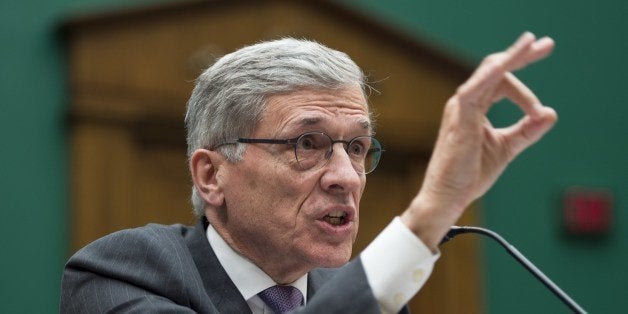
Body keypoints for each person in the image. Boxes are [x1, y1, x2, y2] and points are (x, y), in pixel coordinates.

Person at [60, 32, 557, 313]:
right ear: (211, 176)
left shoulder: (366, 300)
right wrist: (429, 214)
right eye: (307, 144)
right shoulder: (121, 274)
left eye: (357, 147)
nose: (346, 176)